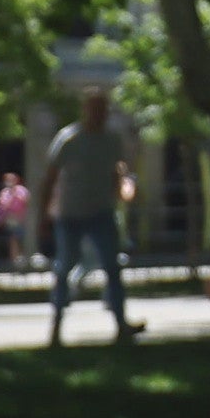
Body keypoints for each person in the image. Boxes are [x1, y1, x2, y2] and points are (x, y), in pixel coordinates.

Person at [41, 86, 140, 343]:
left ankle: (121, 325)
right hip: (70, 214)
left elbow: (118, 172)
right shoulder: (68, 139)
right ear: (85, 109)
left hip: (101, 213)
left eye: (103, 109)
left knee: (112, 267)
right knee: (63, 268)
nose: (100, 114)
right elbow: (50, 179)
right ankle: (56, 328)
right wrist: (44, 216)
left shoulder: (112, 140)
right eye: (95, 108)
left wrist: (123, 189)